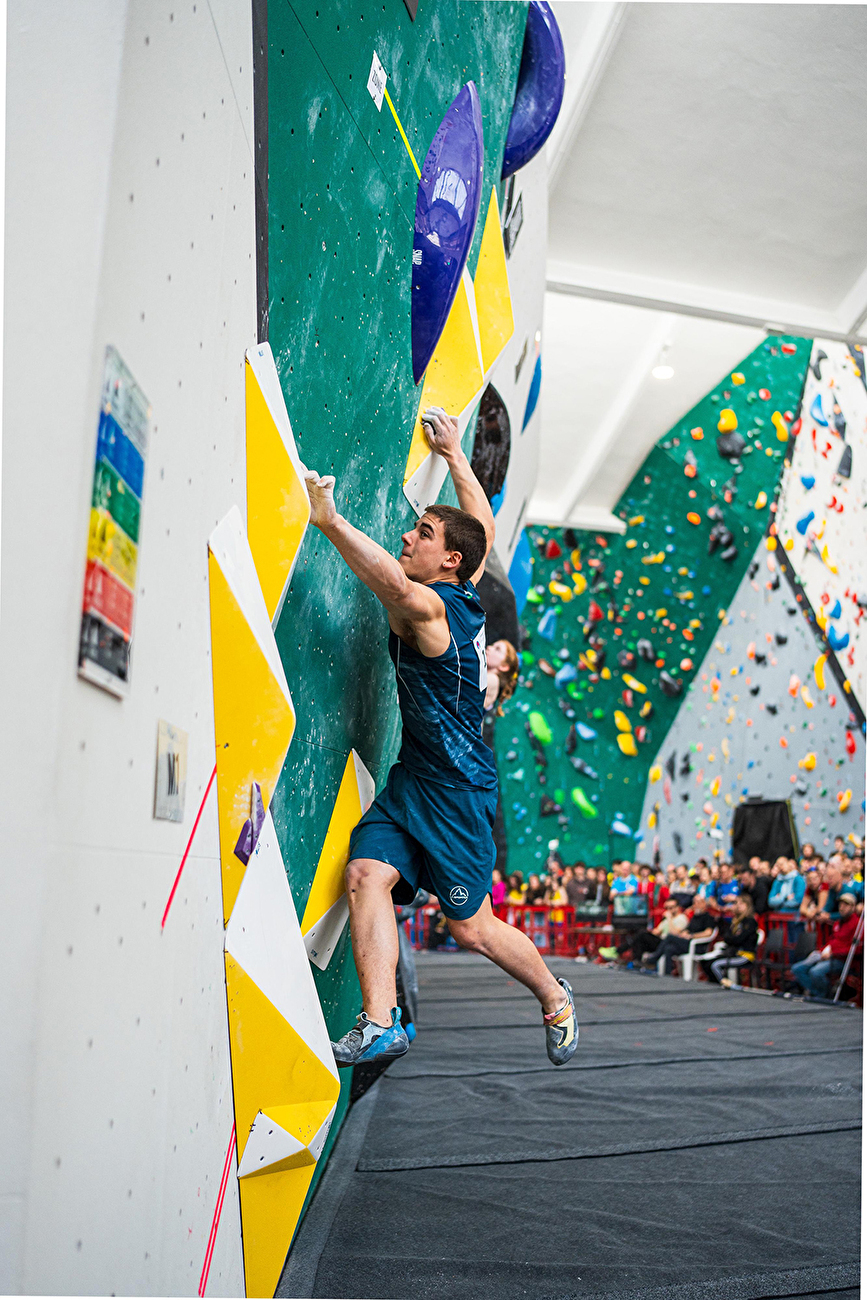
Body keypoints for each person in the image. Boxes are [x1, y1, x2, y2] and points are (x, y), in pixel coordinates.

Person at [304, 407, 578, 1068]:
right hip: (411, 780)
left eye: (421, 532)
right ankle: (379, 1022)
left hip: (457, 795)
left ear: (448, 561)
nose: (407, 535)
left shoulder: (432, 608)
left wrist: (330, 519)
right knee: (366, 873)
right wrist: (455, 453)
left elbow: (394, 585)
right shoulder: (468, 579)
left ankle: (553, 994)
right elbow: (479, 525)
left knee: (471, 927)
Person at [791, 894, 862, 999]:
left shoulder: (858, 924)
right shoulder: (838, 923)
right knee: (797, 968)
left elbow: (857, 949)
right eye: (841, 904)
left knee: (815, 972)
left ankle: (824, 995)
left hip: (843, 960)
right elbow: (832, 941)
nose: (842, 907)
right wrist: (821, 951)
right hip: (828, 956)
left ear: (853, 907)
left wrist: (833, 953)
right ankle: (818, 993)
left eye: (846, 905)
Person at [643, 894, 716, 973]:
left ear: (704, 903)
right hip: (687, 942)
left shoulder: (708, 917)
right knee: (669, 948)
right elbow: (688, 929)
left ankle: (654, 958)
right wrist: (684, 933)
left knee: (670, 937)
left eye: (698, 902)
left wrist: (692, 936)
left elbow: (708, 933)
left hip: (697, 945)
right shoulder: (695, 917)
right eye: (694, 903)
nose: (696, 905)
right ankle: (667, 974)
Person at [699, 894, 759, 984]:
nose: (737, 906)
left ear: (747, 905)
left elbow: (739, 939)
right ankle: (715, 984)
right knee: (705, 962)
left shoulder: (750, 922)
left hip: (744, 955)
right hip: (732, 951)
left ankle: (725, 984)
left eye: (740, 903)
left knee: (715, 965)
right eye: (736, 903)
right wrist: (733, 938)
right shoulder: (735, 921)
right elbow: (727, 936)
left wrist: (733, 939)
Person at [483, 638, 519, 715]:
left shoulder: (493, 679)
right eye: (492, 645)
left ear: (504, 666)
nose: (489, 647)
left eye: (497, 649)